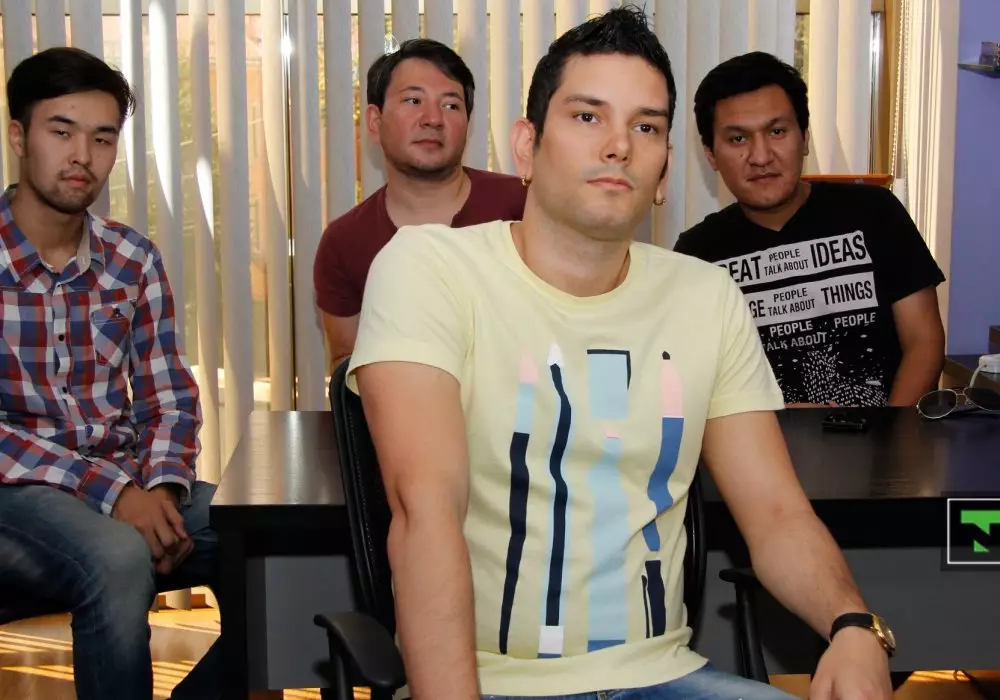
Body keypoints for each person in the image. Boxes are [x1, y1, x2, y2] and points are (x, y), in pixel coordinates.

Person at [347, 8, 893, 700]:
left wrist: (853, 624)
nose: (618, 146)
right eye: (587, 117)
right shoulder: (429, 268)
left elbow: (777, 516)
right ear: (526, 147)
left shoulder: (706, 296)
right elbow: (424, 510)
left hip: (664, 677)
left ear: (665, 171)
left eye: (646, 127)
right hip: (489, 682)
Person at [0, 47, 221, 700]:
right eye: (61, 132)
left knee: (273, 534)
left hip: (125, 479)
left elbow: (168, 397)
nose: (83, 157)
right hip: (14, 491)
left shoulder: (132, 259)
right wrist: (116, 494)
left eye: (102, 138)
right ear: (19, 137)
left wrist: (164, 488)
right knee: (119, 554)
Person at [674, 51, 946, 409]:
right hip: (755, 442)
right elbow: (692, 381)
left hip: (883, 437)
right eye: (738, 139)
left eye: (777, 132)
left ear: (804, 137)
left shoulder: (875, 213)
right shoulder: (697, 254)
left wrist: (890, 435)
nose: (761, 156)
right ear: (711, 154)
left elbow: (924, 342)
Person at [314, 38, 527, 372]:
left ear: (468, 125)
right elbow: (347, 365)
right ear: (375, 122)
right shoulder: (344, 243)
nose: (433, 119)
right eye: (413, 100)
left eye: (451, 105)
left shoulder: (524, 206)